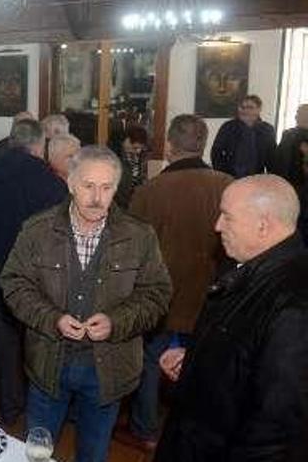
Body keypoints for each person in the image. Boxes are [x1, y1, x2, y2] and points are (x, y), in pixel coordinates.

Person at [0, 145, 171, 462]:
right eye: (88, 185)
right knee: (36, 454)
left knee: (93, 454)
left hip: (108, 369)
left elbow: (157, 293)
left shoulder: (140, 235)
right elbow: (13, 283)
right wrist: (53, 319)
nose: (96, 197)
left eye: (106, 187)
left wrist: (116, 322)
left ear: (116, 189)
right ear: (70, 183)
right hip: (48, 362)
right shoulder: (37, 229)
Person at [155, 175, 308, 462]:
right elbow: (248, 353)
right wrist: (197, 358)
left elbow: (276, 431)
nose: (217, 226)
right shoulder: (252, 269)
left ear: (263, 226)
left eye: (227, 217)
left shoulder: (296, 307)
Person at [118, 115, 233, 451]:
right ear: (203, 144)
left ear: (169, 146)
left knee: (152, 359)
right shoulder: (227, 184)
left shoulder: (151, 191)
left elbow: (132, 249)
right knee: (204, 359)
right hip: (211, 293)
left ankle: (146, 429)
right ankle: (199, 426)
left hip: (164, 294)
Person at [0, 119, 69, 425]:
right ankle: (40, 412)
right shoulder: (49, 183)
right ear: (40, 146)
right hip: (38, 283)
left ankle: (10, 407)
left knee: (3, 347)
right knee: (38, 346)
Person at [211, 95, 276, 178]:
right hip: (230, 177)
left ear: (259, 109)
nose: (245, 110)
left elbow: (272, 157)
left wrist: (270, 178)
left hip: (256, 178)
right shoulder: (228, 127)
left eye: (250, 107)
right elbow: (216, 152)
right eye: (242, 107)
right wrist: (223, 173)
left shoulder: (267, 130)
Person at [271, 103, 308, 189]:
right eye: (297, 113)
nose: (297, 116)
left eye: (301, 113)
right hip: (285, 183)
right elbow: (277, 159)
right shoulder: (288, 134)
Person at [115, 125, 150, 208]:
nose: (138, 151)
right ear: (126, 140)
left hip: (135, 203)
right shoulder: (115, 157)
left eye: (141, 148)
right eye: (135, 148)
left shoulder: (141, 157)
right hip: (119, 205)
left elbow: (141, 179)